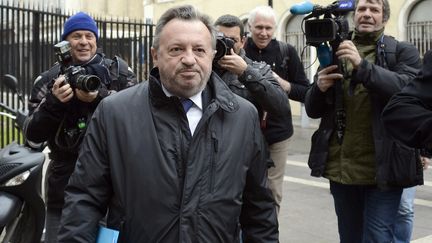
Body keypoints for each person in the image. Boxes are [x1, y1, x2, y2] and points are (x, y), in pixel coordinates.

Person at [57, 5, 278, 242]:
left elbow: (259, 212)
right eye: (176, 49)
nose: (189, 59)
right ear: (155, 55)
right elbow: (84, 200)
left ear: (212, 56)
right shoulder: (114, 113)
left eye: (200, 50)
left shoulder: (243, 116)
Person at [304, 0, 423, 242]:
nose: (367, 14)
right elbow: (312, 109)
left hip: (384, 169)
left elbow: (407, 90)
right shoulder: (336, 51)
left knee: (378, 237)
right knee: (349, 236)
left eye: (374, 10)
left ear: (384, 18)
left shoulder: (402, 51)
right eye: (362, 9)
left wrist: (362, 66)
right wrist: (318, 88)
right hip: (342, 169)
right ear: (354, 15)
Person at [23, 12, 137, 243]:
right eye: (76, 36)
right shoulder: (48, 81)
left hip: (113, 185)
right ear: (66, 42)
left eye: (88, 35)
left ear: (96, 39)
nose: (84, 41)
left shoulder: (120, 74)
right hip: (64, 184)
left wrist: (99, 97)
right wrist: (53, 104)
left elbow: (137, 123)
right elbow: (32, 139)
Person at [243, 5, 310, 213]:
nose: (264, 33)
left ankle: (268, 234)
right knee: (243, 188)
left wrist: (282, 83)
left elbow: (305, 92)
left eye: (269, 28)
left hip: (278, 133)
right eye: (259, 27)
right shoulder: (240, 52)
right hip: (245, 132)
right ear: (249, 26)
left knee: (272, 191)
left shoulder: (286, 52)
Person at [213, 13, 290, 185]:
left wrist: (245, 72)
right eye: (220, 38)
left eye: (231, 39)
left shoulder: (258, 69)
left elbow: (281, 107)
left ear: (242, 41)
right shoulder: (202, 68)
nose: (225, 44)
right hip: (211, 154)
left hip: (246, 155)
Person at [382, 49, 432, 243]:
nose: (366, 15)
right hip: (383, 156)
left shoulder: (405, 52)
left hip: (401, 155)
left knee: (404, 210)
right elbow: (400, 108)